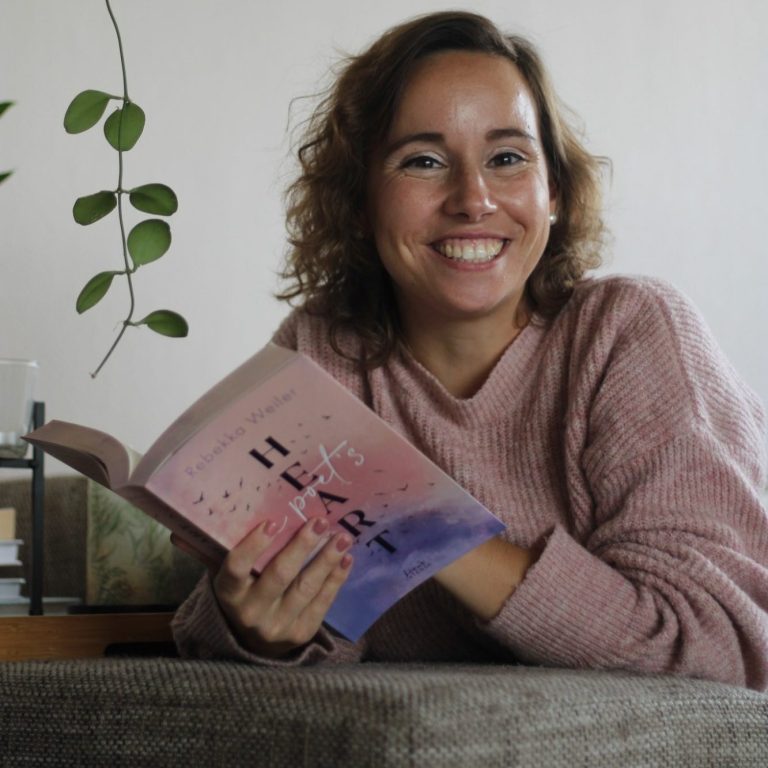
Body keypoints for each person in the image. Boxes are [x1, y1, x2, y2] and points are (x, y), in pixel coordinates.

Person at [171, 11, 768, 689]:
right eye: (423, 160)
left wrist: (423, 528)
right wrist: (260, 629)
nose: (472, 199)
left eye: (507, 158)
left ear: (556, 195)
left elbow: (721, 646)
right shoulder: (321, 350)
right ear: (360, 203)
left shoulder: (630, 332)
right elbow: (283, 643)